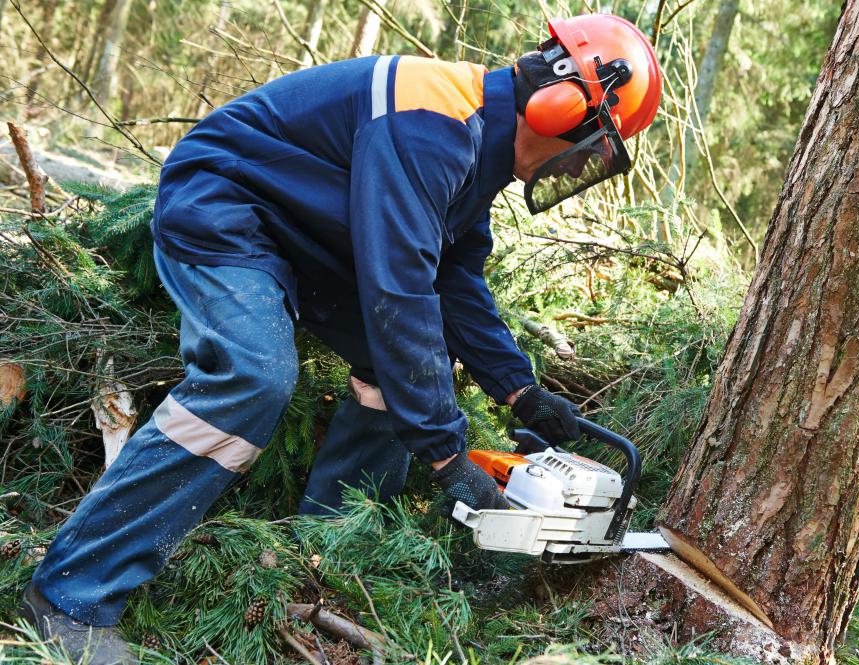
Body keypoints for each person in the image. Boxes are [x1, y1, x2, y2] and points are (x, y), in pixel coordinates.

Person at [20, 14, 662, 664]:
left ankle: (326, 553)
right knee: (253, 377)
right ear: (561, 108)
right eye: (592, 147)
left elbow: (455, 279)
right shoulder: (432, 122)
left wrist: (521, 391)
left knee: (399, 365)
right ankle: (70, 595)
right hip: (224, 206)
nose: (582, 163)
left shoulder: (476, 143)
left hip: (306, 237)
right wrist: (448, 458)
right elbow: (400, 292)